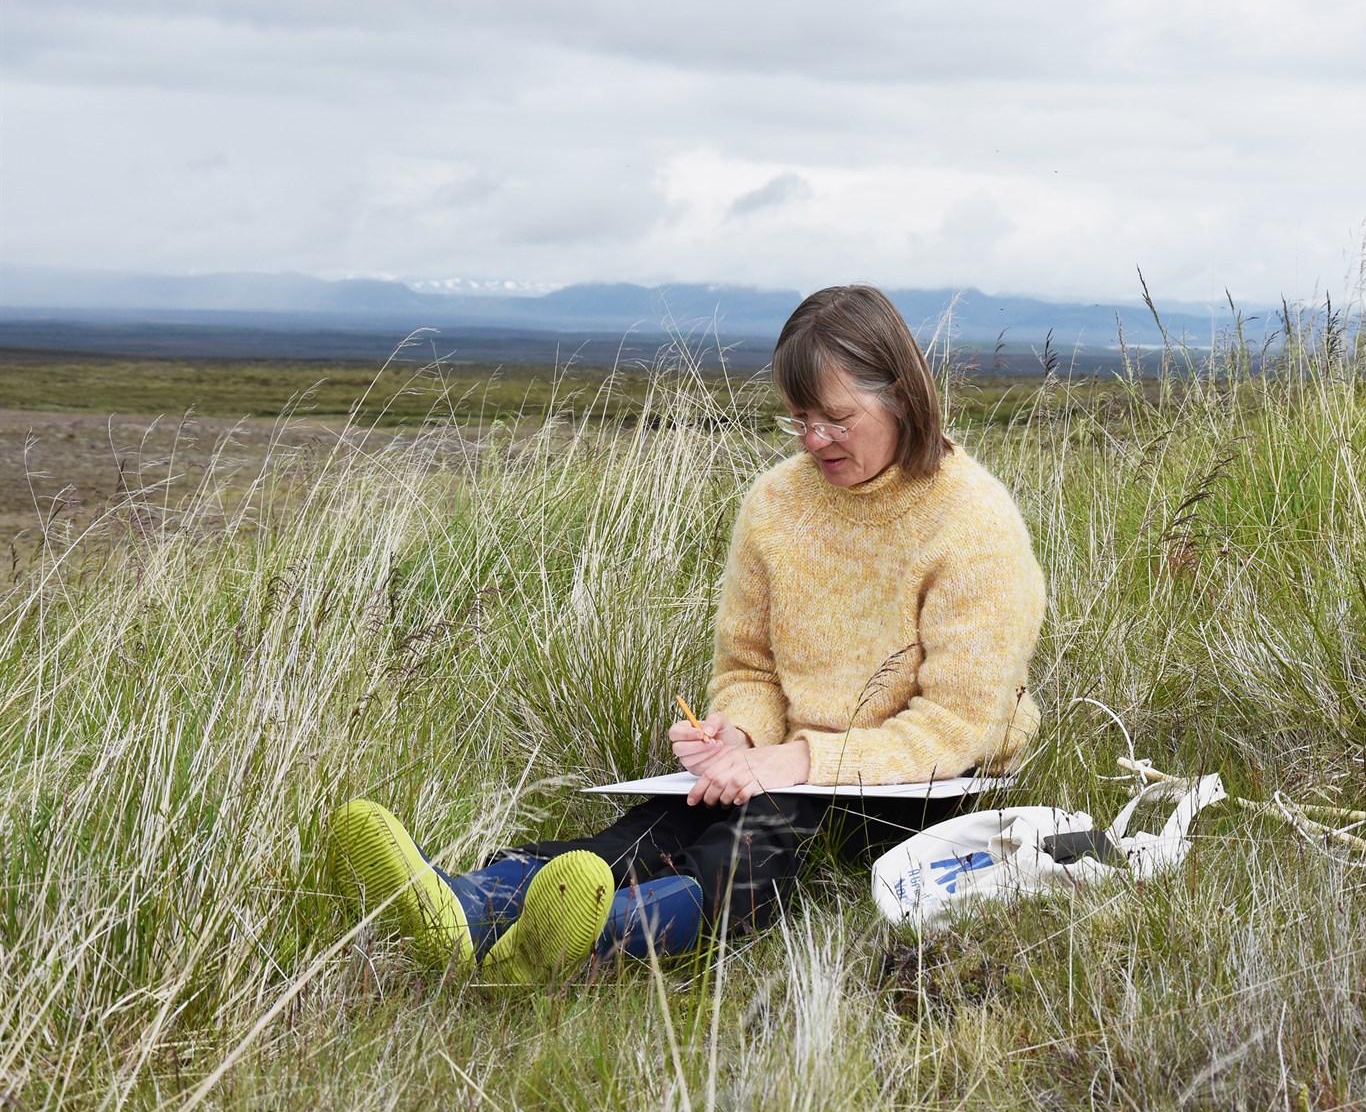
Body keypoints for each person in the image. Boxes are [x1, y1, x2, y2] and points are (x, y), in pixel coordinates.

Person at [331, 284, 1046, 982]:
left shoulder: (973, 521)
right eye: (798, 419)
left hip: (922, 789)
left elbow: (957, 728)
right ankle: (471, 904)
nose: (814, 440)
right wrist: (737, 734)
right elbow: (749, 667)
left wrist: (795, 760)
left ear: (900, 394)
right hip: (788, 762)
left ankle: (594, 940)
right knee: (669, 814)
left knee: (766, 825)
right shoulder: (775, 504)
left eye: (835, 417)